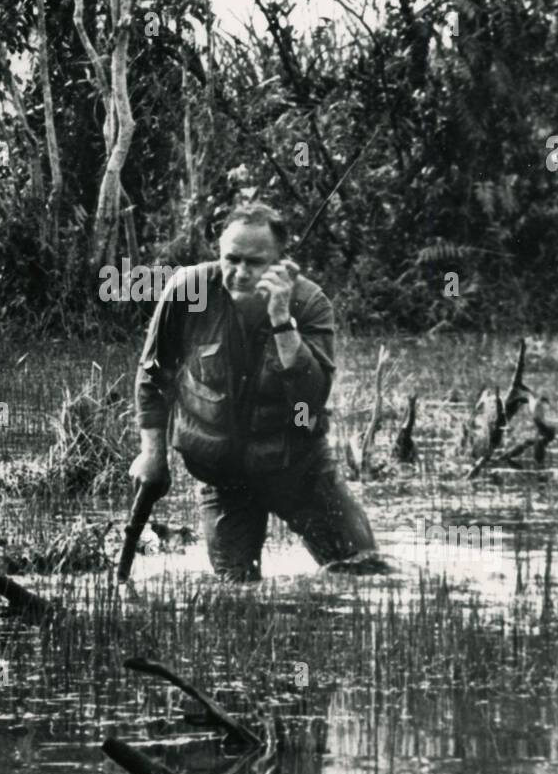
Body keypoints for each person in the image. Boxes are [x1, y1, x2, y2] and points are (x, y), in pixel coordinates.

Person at [130, 202, 377, 581]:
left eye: (255, 262)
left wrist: (281, 320)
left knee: (362, 573)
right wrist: (152, 454)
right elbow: (154, 375)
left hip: (300, 470)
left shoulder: (309, 303)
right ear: (219, 254)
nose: (241, 273)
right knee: (235, 590)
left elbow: (310, 398)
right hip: (224, 477)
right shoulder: (189, 290)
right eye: (232, 259)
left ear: (280, 263)